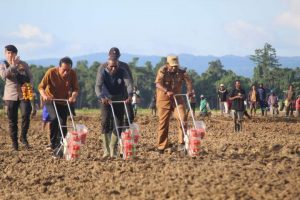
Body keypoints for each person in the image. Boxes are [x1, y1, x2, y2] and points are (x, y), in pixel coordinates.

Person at [38, 57, 79, 158]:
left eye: (68, 70)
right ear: (59, 67)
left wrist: (73, 96)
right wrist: (44, 96)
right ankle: (53, 144)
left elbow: (76, 89)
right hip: (50, 100)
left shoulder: (72, 74)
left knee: (63, 123)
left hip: (63, 102)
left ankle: (61, 144)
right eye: (64, 70)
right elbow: (41, 87)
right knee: (55, 119)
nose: (66, 72)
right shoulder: (51, 72)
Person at [0, 45, 36, 151]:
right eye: (8, 53)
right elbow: (3, 75)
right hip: (10, 96)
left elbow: (31, 77)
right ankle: (14, 143)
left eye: (12, 53)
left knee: (26, 114)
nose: (10, 55)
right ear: (5, 54)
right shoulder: (3, 64)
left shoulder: (23, 64)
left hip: (23, 95)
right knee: (12, 121)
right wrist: (13, 66)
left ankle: (23, 136)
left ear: (16, 54)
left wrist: (31, 86)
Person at [155, 55, 193, 154]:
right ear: (167, 64)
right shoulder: (162, 70)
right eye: (172, 66)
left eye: (176, 66)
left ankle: (182, 144)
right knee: (163, 123)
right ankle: (161, 146)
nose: (174, 68)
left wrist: (189, 91)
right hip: (164, 100)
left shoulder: (182, 71)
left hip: (177, 98)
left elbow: (188, 81)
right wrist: (166, 90)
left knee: (183, 118)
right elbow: (158, 84)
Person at [95, 58, 133, 158]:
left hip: (119, 99)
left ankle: (113, 147)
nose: (113, 68)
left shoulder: (123, 71)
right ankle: (106, 150)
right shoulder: (103, 72)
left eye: (115, 66)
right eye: (111, 66)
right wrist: (101, 97)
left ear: (118, 66)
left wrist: (129, 95)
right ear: (107, 66)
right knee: (105, 121)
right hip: (106, 99)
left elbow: (129, 84)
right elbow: (97, 86)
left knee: (119, 123)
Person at [99, 47, 134, 126]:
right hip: (107, 96)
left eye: (116, 56)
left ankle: (124, 133)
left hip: (123, 95)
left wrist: (130, 94)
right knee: (107, 119)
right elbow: (99, 85)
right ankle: (108, 134)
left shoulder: (124, 66)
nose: (114, 58)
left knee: (129, 116)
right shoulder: (102, 67)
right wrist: (102, 96)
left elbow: (129, 82)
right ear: (109, 56)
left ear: (119, 56)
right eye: (112, 56)